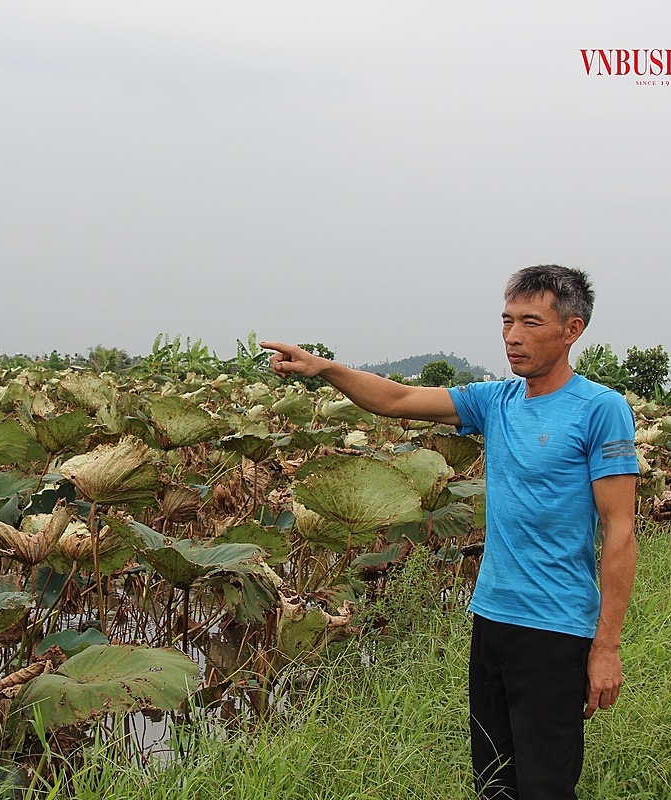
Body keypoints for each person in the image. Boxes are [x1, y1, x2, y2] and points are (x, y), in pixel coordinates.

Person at [261, 264, 638, 800]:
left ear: (572, 330)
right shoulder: (497, 401)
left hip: (555, 627)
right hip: (491, 617)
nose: (512, 337)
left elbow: (620, 531)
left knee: (545, 784)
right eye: (506, 321)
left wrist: (606, 647)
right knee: (492, 781)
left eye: (530, 323)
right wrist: (324, 368)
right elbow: (395, 401)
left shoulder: (601, 410)